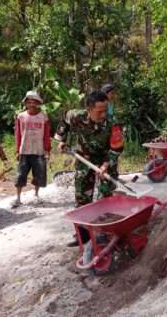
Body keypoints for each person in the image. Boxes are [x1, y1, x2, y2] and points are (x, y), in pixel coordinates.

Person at [55, 90, 124, 247]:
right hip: (84, 159)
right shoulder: (76, 116)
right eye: (99, 111)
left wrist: (105, 166)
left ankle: (103, 233)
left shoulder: (113, 123)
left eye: (105, 110)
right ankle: (83, 234)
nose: (103, 114)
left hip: (107, 160)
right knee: (82, 197)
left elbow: (117, 149)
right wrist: (61, 139)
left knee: (105, 197)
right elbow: (64, 119)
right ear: (88, 109)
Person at [12, 91, 52, 208]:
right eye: (29, 102)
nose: (31, 104)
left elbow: (46, 134)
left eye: (34, 102)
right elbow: (18, 134)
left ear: (38, 103)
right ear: (26, 103)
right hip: (24, 150)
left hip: (39, 151)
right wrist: (17, 150)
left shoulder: (43, 116)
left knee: (39, 174)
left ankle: (36, 195)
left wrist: (47, 150)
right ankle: (18, 198)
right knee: (20, 175)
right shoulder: (21, 116)